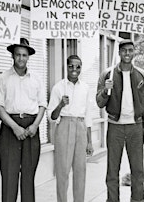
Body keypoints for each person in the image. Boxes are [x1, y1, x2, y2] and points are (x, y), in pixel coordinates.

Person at [96, 39, 144, 202]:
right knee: (113, 170)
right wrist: (106, 90)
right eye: (124, 50)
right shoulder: (108, 74)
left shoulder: (141, 74)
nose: (127, 53)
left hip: (136, 127)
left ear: (134, 52)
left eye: (130, 50)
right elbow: (99, 102)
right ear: (119, 52)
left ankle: (137, 199)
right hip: (115, 127)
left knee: (138, 170)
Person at [0, 38, 47, 202]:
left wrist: (35, 125)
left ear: (28, 56)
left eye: (24, 55)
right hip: (10, 128)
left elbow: (43, 105)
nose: (21, 58)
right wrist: (15, 127)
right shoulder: (3, 78)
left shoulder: (36, 78)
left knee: (28, 177)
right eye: (18, 55)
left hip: (31, 129)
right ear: (12, 56)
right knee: (9, 175)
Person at [47, 55, 94, 202]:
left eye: (78, 66)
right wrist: (60, 105)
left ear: (81, 68)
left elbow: (88, 115)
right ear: (66, 67)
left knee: (80, 171)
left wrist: (89, 141)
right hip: (64, 126)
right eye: (71, 66)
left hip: (80, 127)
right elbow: (51, 117)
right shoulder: (58, 87)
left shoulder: (85, 88)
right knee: (63, 171)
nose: (74, 69)